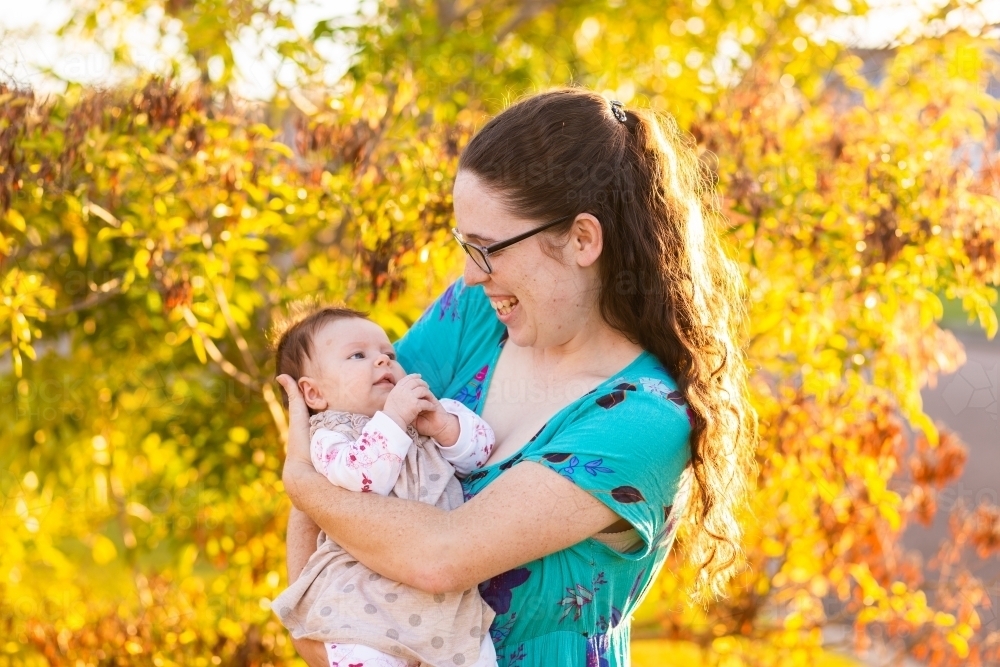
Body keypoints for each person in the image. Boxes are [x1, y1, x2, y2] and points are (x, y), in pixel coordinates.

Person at [278, 88, 758, 667]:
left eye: (487, 249)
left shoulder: (644, 418)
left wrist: (302, 482)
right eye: (464, 246)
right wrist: (313, 628)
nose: (470, 275)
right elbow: (340, 422)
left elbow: (440, 556)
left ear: (583, 239)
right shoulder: (475, 317)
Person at [269, 306, 498, 667]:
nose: (382, 362)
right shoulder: (330, 436)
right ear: (313, 395)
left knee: (477, 656)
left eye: (389, 355)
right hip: (362, 601)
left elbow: (481, 454)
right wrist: (394, 419)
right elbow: (362, 479)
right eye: (358, 355)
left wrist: (444, 426)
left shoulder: (426, 414)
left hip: (443, 604)